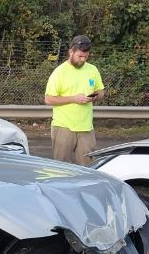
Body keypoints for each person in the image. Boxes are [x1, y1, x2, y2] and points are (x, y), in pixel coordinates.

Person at [44, 35, 105, 166]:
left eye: (86, 56)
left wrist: (95, 96)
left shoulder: (92, 69)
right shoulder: (59, 72)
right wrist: (74, 98)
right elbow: (48, 99)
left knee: (88, 167)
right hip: (63, 127)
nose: (83, 60)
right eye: (80, 56)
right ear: (71, 52)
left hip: (86, 127)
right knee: (61, 167)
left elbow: (101, 91)